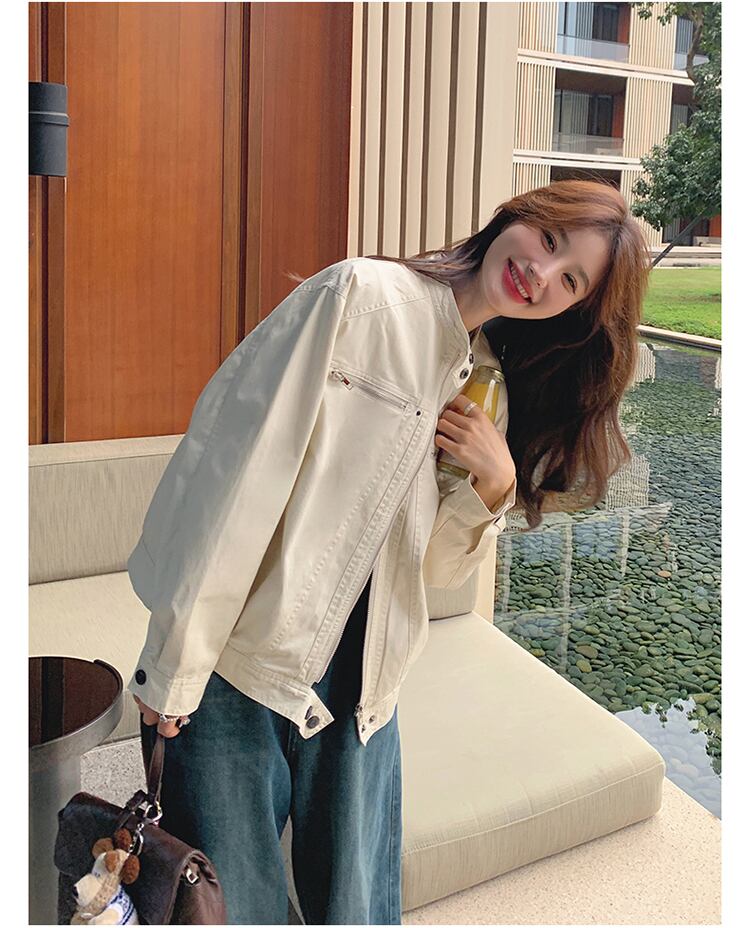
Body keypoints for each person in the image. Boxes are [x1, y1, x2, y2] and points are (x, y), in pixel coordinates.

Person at [133, 179, 651, 924]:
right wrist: (174, 662)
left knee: (359, 911)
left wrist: (494, 485)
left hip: (364, 682)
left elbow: (432, 568)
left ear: (573, 311)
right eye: (549, 240)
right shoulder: (361, 299)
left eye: (571, 280)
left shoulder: (486, 382)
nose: (541, 273)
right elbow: (233, 479)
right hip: (242, 664)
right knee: (230, 905)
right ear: (519, 215)